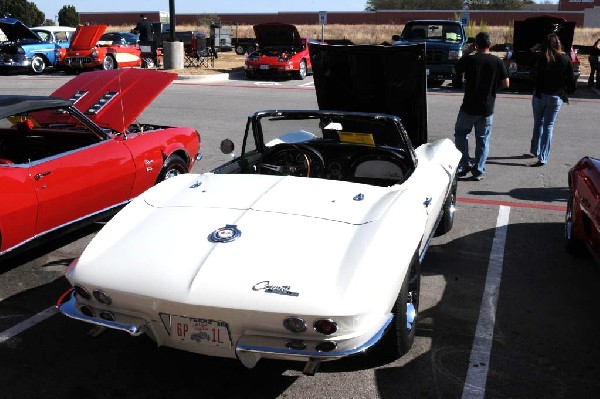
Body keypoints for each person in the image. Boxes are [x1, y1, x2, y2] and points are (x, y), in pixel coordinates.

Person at [452, 31, 510, 181]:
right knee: (483, 139)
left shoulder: (470, 60)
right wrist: (493, 90)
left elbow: (454, 70)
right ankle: (479, 170)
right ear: (490, 45)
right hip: (487, 107)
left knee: (461, 134)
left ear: (476, 45)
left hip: (469, 106)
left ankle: (464, 162)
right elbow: (506, 83)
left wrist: (466, 53)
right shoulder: (497, 61)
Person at [528, 33, 574, 167]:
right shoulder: (565, 59)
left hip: (540, 95)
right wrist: (566, 92)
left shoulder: (541, 58)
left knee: (538, 123)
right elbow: (571, 81)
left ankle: (535, 150)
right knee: (549, 125)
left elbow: (532, 74)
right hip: (556, 96)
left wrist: (534, 49)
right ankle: (543, 156)